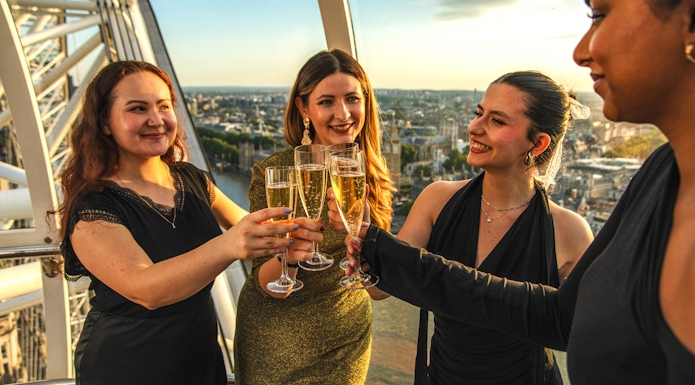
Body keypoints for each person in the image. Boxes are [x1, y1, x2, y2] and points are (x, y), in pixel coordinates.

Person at [344, 0, 695, 383]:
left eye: (600, 13)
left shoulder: (573, 226)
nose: (582, 51)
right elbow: (561, 317)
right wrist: (376, 255)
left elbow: (567, 322)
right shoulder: (664, 173)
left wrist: (392, 257)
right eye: (479, 113)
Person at [54, 60, 321, 385]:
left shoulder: (193, 180)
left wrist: (290, 247)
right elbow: (145, 289)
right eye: (138, 109)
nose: (156, 120)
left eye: (163, 106)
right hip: (128, 367)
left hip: (200, 360)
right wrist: (229, 244)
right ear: (105, 123)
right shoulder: (94, 207)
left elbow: (255, 232)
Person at [330, 71, 593, 384]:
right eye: (478, 113)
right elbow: (379, 290)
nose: (473, 128)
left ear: (538, 143)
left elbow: (586, 335)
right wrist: (366, 248)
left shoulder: (570, 231)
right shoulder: (437, 199)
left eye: (497, 120)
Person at [234, 49, 394, 384]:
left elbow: (379, 290)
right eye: (326, 102)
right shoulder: (275, 172)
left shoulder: (370, 173)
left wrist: (366, 250)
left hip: (345, 343)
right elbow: (266, 285)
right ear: (303, 108)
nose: (343, 113)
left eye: (352, 98)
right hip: (274, 342)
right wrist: (289, 256)